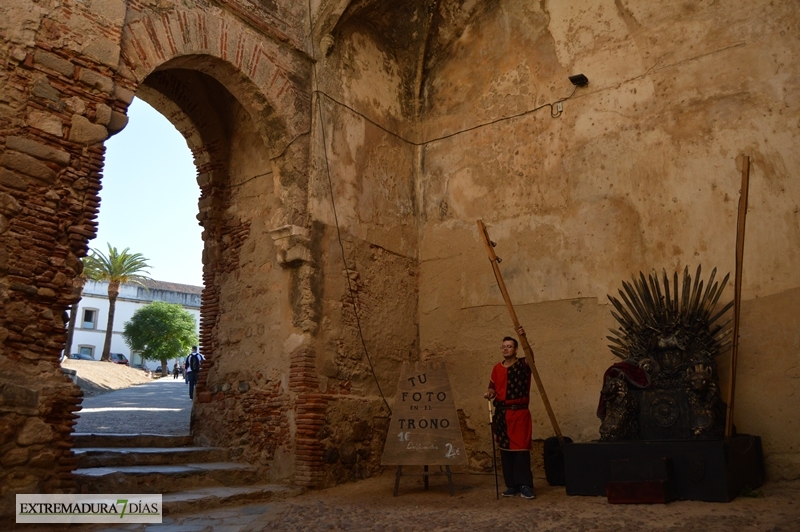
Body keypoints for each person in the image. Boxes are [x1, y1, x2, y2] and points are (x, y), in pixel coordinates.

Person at [484, 327, 535, 499]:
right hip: (502, 414)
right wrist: (490, 393)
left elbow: (530, 356)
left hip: (519, 414)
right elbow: (492, 387)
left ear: (516, 349)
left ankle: (525, 485)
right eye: (504, 346)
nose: (506, 348)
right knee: (505, 450)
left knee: (520, 450)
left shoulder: (523, 364)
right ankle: (512, 485)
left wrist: (523, 337)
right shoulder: (496, 368)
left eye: (509, 346)